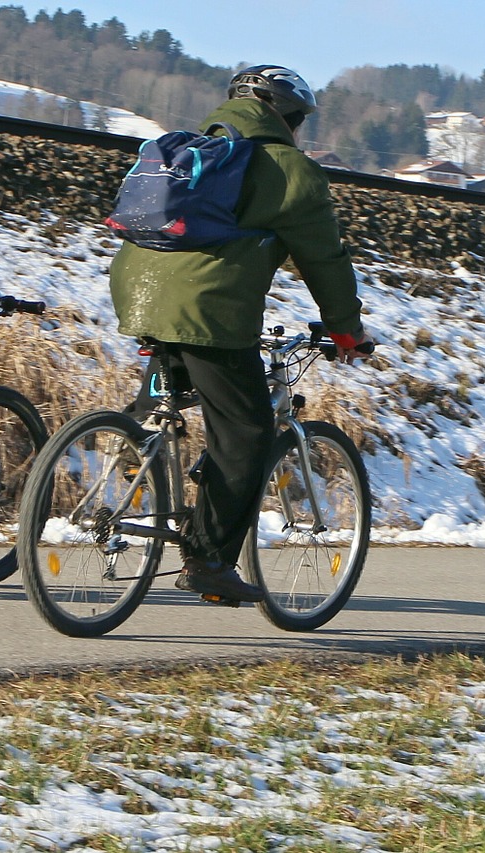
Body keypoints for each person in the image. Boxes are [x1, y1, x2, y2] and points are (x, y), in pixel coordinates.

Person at [109, 64, 373, 602]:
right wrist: (346, 331)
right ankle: (207, 560)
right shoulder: (287, 170)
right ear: (288, 116)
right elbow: (324, 258)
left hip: (136, 294)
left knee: (185, 392)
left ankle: (142, 439)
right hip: (208, 312)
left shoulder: (183, 152)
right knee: (248, 431)